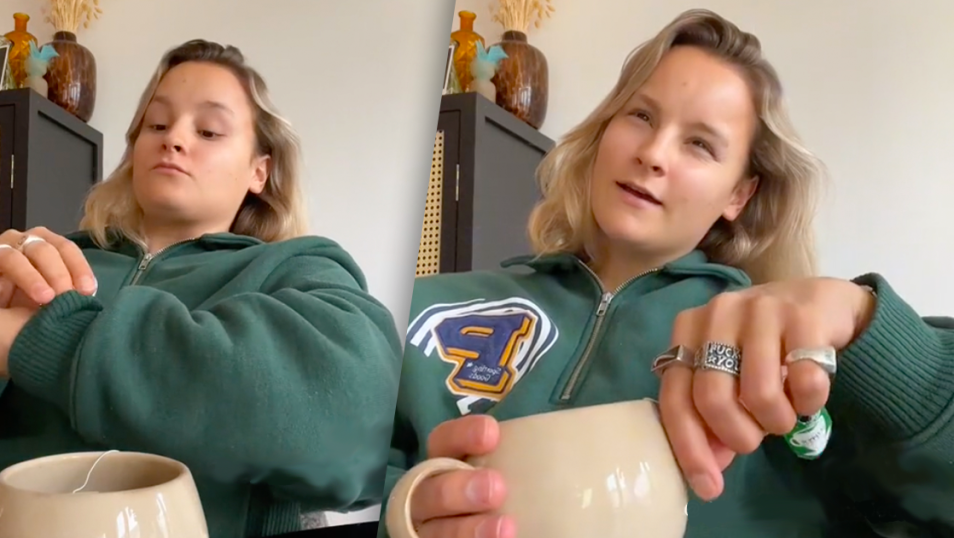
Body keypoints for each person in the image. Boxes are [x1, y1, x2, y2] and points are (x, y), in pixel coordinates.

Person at [381, 9, 954, 538]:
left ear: (739, 194)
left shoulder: (794, 361)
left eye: (700, 144)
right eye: (641, 115)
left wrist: (864, 320)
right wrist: (403, 513)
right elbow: (348, 490)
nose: (653, 153)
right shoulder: (424, 306)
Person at [0, 39, 402, 538]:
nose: (173, 138)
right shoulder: (24, 263)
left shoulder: (298, 269)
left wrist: (32, 342)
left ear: (259, 171)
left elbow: (358, 435)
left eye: (209, 130)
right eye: (156, 125)